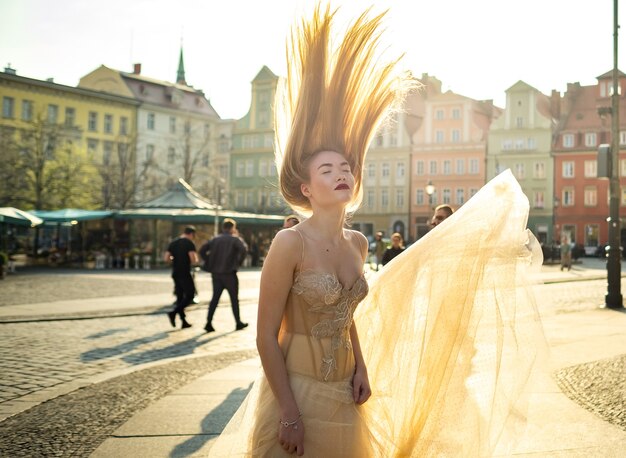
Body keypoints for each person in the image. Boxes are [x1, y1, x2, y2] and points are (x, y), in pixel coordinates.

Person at [209, 4, 546, 457]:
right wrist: (288, 411)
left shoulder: (358, 243)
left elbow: (347, 319)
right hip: (298, 395)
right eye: (328, 169)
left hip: (345, 395)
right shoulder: (289, 243)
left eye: (346, 167)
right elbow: (266, 335)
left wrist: (362, 368)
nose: (342, 173)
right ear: (307, 188)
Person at [200, 218, 249, 333]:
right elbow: (244, 250)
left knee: (215, 299)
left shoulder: (215, 239)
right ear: (233, 228)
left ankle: (208, 322)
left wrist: (209, 262)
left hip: (216, 274)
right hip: (229, 274)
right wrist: (238, 263)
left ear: (223, 228)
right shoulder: (235, 239)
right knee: (234, 299)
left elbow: (202, 250)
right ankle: (238, 322)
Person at [164, 226, 198, 329]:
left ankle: (183, 321)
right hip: (185, 272)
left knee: (180, 297)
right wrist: (194, 261)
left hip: (175, 272)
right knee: (190, 294)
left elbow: (166, 258)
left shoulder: (173, 243)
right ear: (191, 234)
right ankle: (174, 313)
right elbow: (193, 259)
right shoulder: (189, 243)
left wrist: (174, 261)